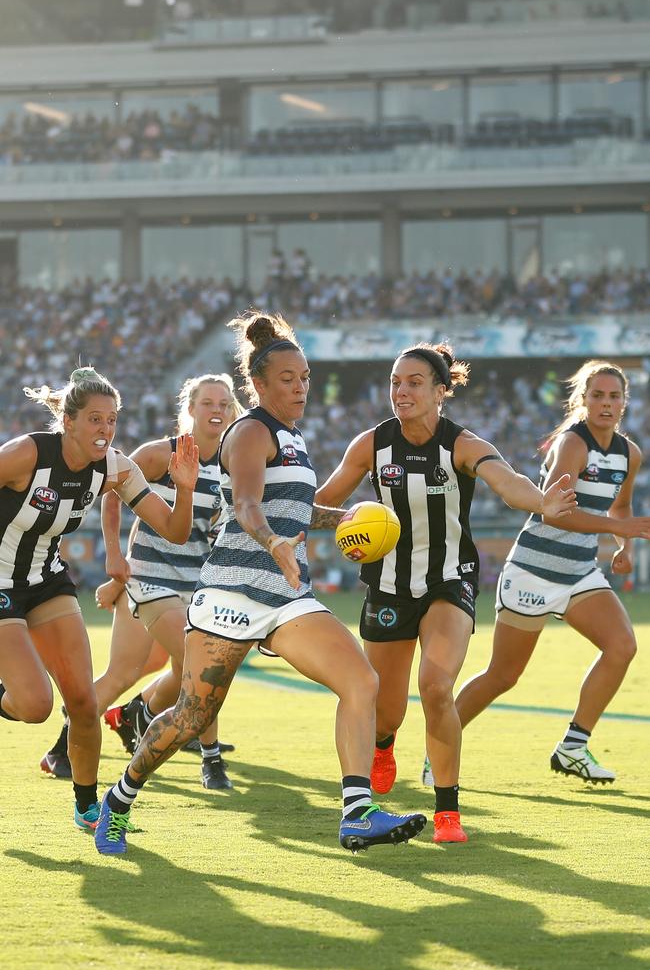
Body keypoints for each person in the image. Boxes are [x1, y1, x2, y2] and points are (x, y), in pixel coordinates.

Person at [95, 313, 427, 855]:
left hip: (286, 598)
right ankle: (119, 798)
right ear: (260, 385)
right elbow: (247, 505)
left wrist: (339, 518)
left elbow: (290, 507)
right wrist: (274, 542)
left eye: (306, 378)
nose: (301, 388)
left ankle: (356, 813)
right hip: (232, 591)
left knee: (362, 683)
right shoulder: (248, 432)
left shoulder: (293, 437)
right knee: (191, 716)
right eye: (289, 379)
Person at [314, 342, 576, 843]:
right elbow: (323, 502)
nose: (401, 391)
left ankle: (448, 813)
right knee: (385, 709)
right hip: (388, 586)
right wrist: (336, 523)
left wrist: (541, 501)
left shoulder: (461, 445)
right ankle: (384, 744)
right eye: (395, 382)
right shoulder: (371, 445)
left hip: (449, 581)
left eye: (414, 383)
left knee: (436, 685)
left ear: (440, 392)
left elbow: (509, 481)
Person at [0, 367, 198, 831]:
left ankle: (88, 808)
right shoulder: (28, 453)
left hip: (46, 582)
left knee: (84, 703)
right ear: (68, 421)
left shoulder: (114, 466)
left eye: (111, 420)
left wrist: (184, 489)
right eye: (94, 419)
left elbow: (174, 529)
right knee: (34, 705)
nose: (105, 430)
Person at [42, 374, 241, 790]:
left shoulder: (233, 464)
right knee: (203, 661)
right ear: (189, 409)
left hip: (195, 581)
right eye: (208, 402)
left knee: (125, 672)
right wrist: (115, 558)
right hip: (149, 576)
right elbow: (115, 493)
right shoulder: (159, 454)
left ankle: (83, 737)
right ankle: (210, 759)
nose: (217, 410)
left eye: (225, 403)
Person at [455, 360, 650, 783]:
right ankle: (440, 746)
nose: (606, 403)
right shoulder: (572, 444)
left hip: (580, 572)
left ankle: (572, 748)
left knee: (622, 646)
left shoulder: (629, 453)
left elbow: (621, 506)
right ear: (583, 400)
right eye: (597, 395)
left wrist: (624, 546)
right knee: (503, 676)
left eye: (614, 396)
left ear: (624, 402)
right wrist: (618, 528)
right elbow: (557, 513)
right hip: (534, 571)